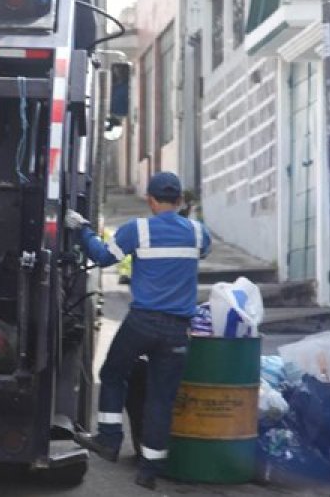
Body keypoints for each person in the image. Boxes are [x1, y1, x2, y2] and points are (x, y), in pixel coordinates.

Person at [65, 172, 210, 490]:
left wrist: (82, 229)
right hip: (177, 329)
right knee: (161, 398)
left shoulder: (139, 230)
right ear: (181, 201)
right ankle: (149, 471)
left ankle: (109, 439)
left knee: (114, 373)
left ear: (151, 200)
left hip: (143, 322)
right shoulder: (198, 233)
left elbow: (102, 257)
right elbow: (203, 252)